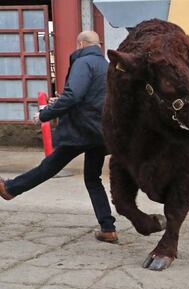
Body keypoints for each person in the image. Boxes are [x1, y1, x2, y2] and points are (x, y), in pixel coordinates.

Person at [0, 31, 118, 244]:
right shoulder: (108, 65)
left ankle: (10, 189)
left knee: (49, 166)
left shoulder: (83, 63)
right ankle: (108, 228)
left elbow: (74, 95)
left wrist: (45, 114)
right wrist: (61, 100)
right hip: (100, 131)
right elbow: (95, 96)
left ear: (80, 43)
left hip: (80, 131)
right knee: (93, 179)